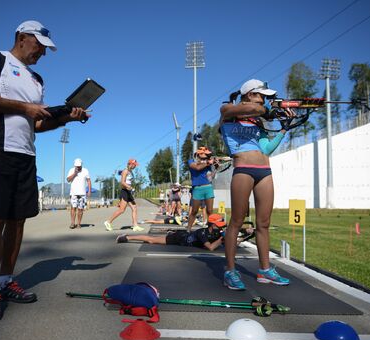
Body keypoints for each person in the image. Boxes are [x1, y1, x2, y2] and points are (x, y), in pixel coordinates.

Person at [0, 20, 89, 321]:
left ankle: (8, 280)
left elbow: (37, 124)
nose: (43, 54)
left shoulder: (36, 79)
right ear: (22, 37)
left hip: (26, 154)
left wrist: (67, 118)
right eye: (40, 46)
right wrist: (24, 108)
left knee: (18, 221)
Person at [219, 79, 293, 290]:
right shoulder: (227, 110)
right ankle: (230, 271)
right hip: (243, 169)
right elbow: (251, 108)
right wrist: (269, 110)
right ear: (249, 94)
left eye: (265, 97)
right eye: (261, 95)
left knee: (264, 223)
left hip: (264, 171)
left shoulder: (257, 121)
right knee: (236, 221)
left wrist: (282, 130)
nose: (263, 99)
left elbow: (266, 149)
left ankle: (265, 270)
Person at [116, 213, 226, 251]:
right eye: (219, 225)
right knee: (152, 240)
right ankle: (127, 237)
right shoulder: (202, 232)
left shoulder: (216, 232)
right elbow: (210, 247)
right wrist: (222, 239)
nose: (221, 227)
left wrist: (241, 237)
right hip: (178, 238)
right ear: (212, 224)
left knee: (152, 240)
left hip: (183, 236)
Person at [104, 159, 144, 232]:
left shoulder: (130, 172)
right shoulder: (125, 171)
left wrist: (131, 188)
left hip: (128, 192)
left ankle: (135, 226)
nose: (135, 166)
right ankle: (108, 222)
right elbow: (122, 182)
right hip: (125, 191)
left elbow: (128, 182)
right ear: (130, 164)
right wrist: (130, 187)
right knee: (122, 210)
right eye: (134, 165)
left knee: (134, 207)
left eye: (136, 165)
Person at [186, 147, 215, 231]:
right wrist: (208, 163)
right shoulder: (191, 161)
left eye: (207, 154)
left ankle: (211, 230)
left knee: (210, 211)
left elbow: (210, 177)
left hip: (208, 187)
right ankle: (188, 230)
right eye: (205, 153)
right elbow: (197, 168)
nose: (207, 155)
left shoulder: (208, 162)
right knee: (194, 211)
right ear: (199, 154)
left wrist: (215, 167)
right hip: (197, 189)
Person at [67, 158, 91, 229]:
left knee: (80, 209)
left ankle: (79, 224)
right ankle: (72, 223)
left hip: (82, 193)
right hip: (73, 193)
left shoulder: (85, 170)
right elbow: (68, 180)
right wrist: (75, 173)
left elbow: (89, 181)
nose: (78, 167)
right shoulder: (71, 170)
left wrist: (89, 191)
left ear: (81, 165)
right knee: (73, 208)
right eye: (76, 166)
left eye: (79, 166)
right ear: (74, 165)